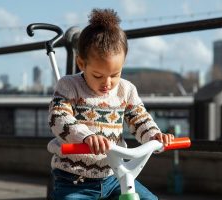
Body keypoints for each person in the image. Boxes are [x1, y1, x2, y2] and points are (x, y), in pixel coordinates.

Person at [47, 8, 174, 200]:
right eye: (98, 75)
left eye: (115, 74)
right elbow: (58, 118)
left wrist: (154, 136)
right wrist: (86, 136)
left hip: (114, 176)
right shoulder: (69, 86)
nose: (107, 83)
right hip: (75, 179)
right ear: (81, 64)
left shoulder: (126, 90)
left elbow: (140, 118)